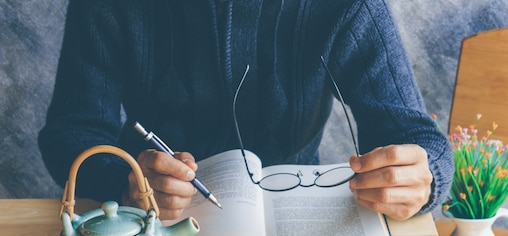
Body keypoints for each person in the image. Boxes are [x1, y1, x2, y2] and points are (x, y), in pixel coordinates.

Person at [39, 0, 453, 221]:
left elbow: (417, 137)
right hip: (151, 223)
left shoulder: (346, 5)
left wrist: (423, 176)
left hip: (294, 220)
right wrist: (125, 182)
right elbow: (71, 132)